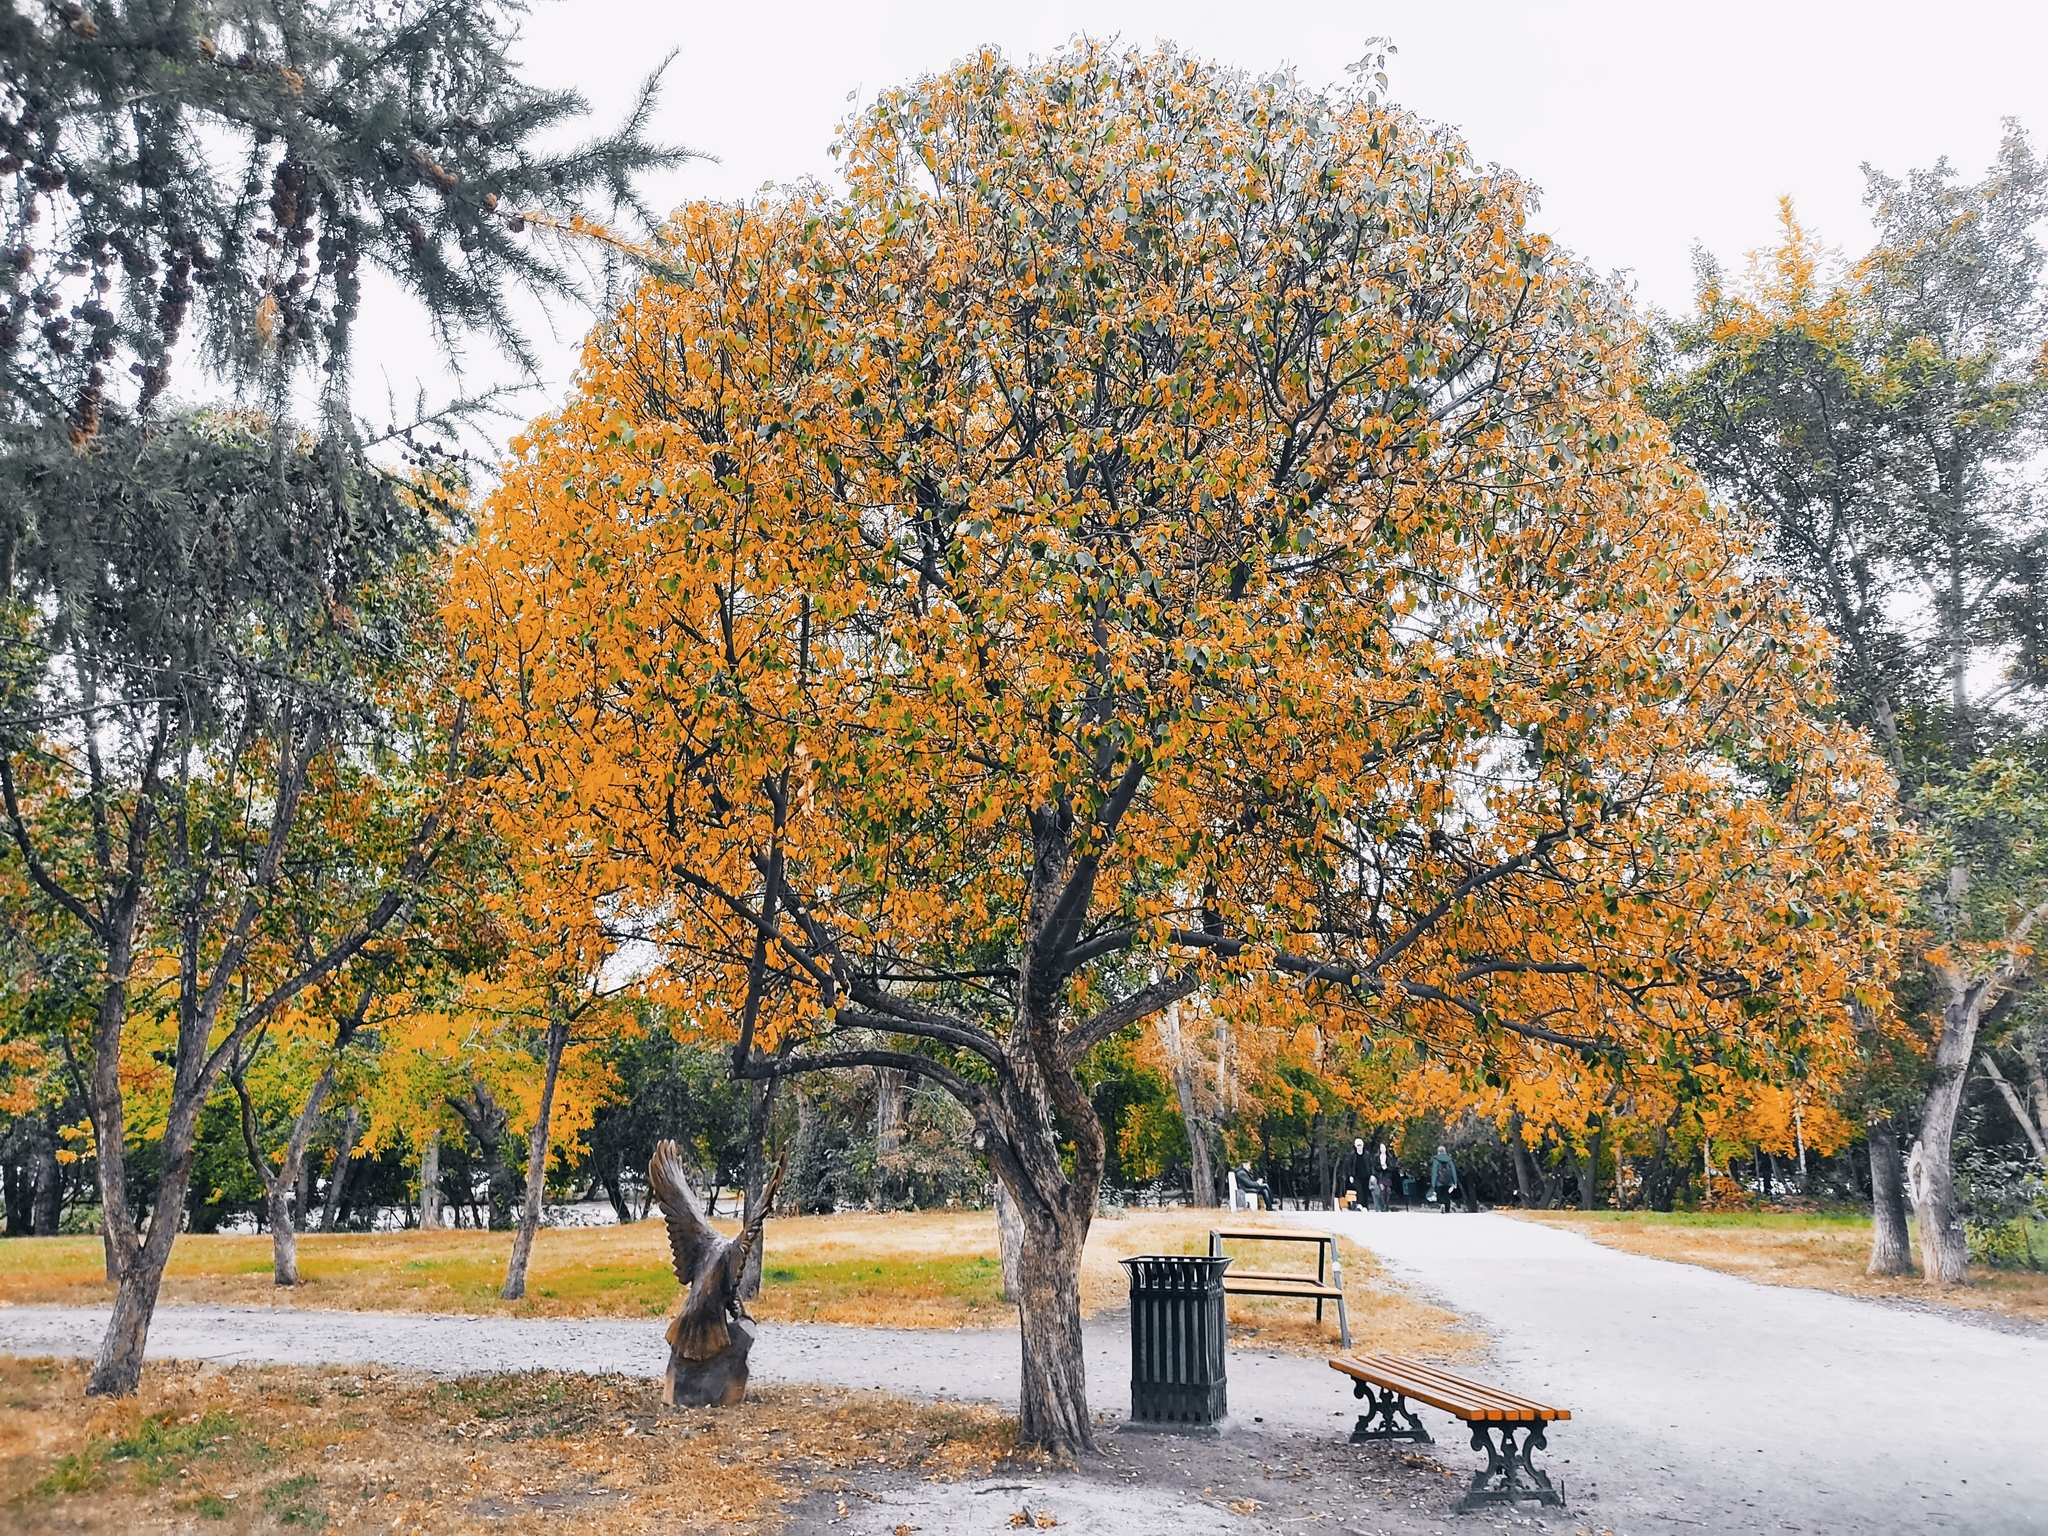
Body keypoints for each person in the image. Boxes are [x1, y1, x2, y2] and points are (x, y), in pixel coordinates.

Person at [1429, 1143, 1459, 1212]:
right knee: (1447, 1194)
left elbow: (1434, 1172)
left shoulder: (1436, 1160)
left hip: (1440, 1181)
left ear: (1438, 1152)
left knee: (1440, 1193)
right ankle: (1447, 1209)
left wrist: (1433, 1183)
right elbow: (1453, 1171)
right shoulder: (1449, 1159)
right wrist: (1455, 1182)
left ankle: (1442, 1204)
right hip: (1449, 1181)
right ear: (1445, 1151)